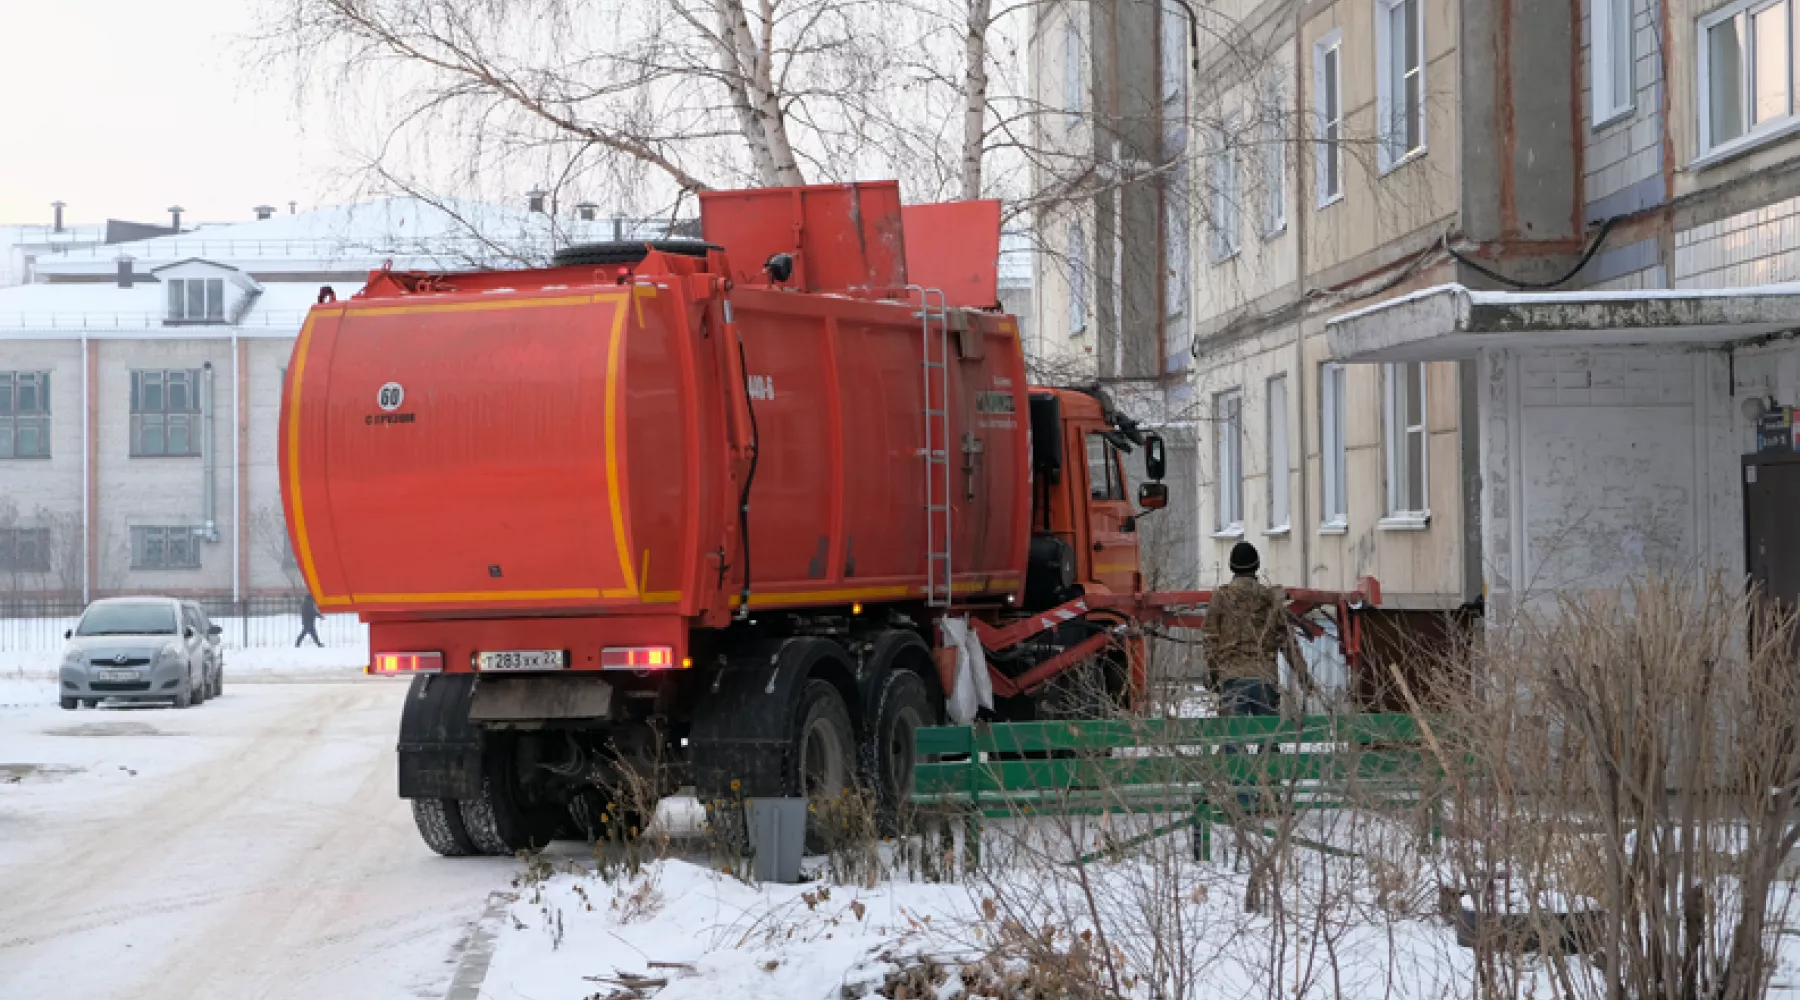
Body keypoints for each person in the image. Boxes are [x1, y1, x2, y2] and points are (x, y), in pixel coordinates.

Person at [1201, 541, 1313, 719]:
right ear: (1257, 566)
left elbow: (1210, 640)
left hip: (1232, 679)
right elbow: (1287, 642)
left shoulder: (1221, 598)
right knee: (1268, 739)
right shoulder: (1270, 599)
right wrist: (1303, 676)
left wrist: (1212, 675)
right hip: (1264, 678)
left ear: (1232, 567)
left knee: (1233, 740)